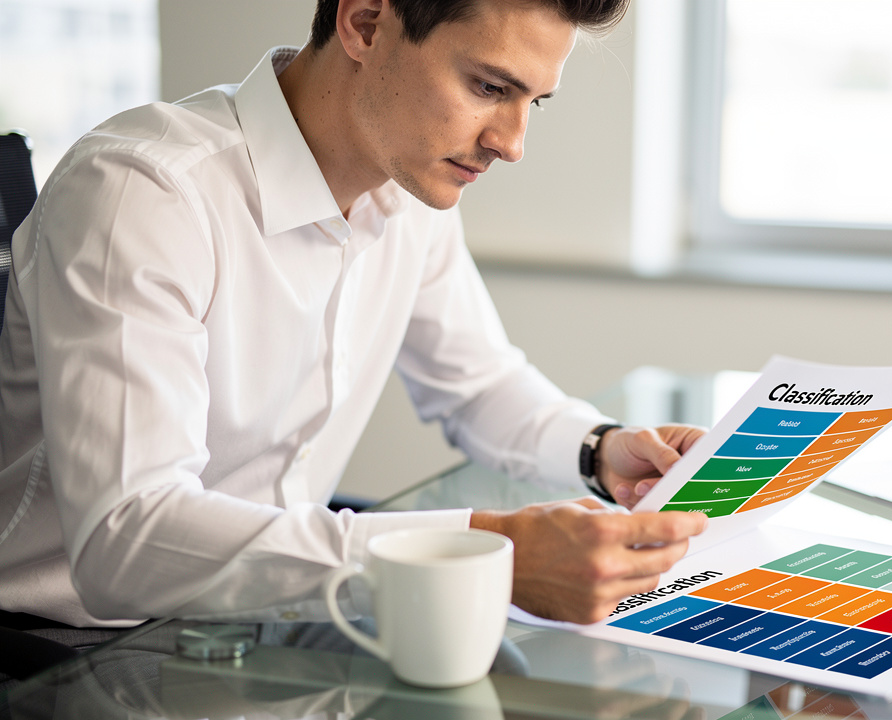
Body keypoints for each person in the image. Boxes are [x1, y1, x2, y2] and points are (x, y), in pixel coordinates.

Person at [0, 0, 707, 630]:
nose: (512, 144)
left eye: (534, 102)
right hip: (66, 648)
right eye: (489, 88)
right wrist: (482, 551)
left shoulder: (409, 190)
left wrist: (603, 451)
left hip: (267, 619)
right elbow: (127, 540)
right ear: (366, 24)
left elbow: (479, 385)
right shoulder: (145, 194)